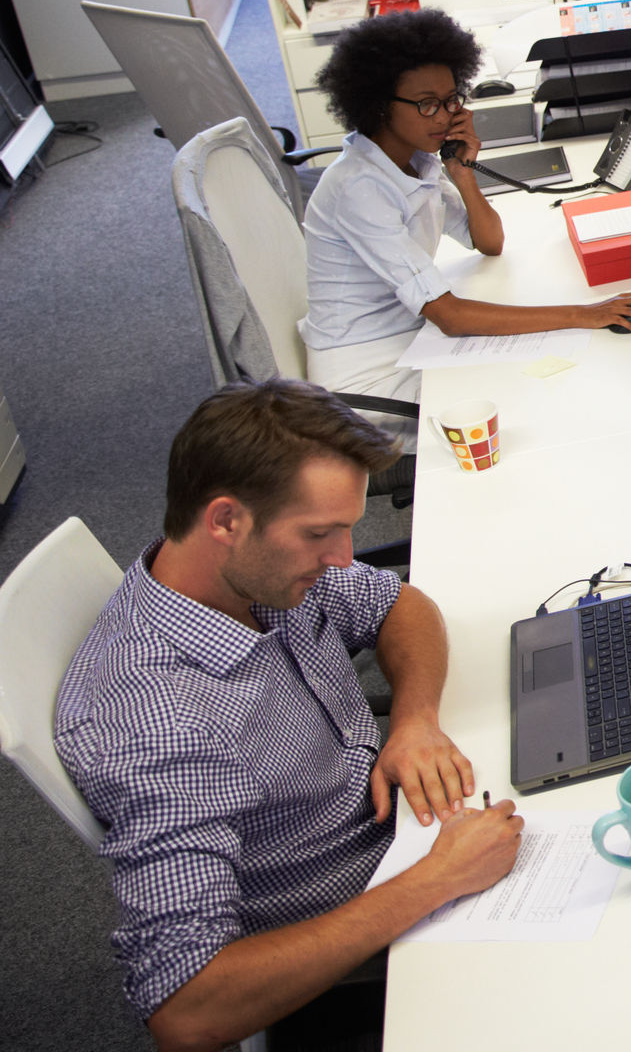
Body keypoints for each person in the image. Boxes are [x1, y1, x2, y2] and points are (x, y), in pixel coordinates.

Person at [55, 381, 525, 1052]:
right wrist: (436, 880)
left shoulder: (253, 571)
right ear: (225, 521)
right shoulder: (157, 724)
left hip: (414, 847)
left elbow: (400, 605)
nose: (341, 557)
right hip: (371, 940)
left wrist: (415, 720)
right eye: (320, 534)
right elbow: (185, 1009)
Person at [299, 9, 631, 408]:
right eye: (427, 104)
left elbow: (488, 241)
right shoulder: (359, 187)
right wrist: (586, 314)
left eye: (451, 100)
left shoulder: (416, 161)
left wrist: (463, 173)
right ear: (379, 105)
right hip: (366, 381)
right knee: (533, 393)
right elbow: (450, 317)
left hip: (411, 334)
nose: (446, 115)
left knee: (549, 374)